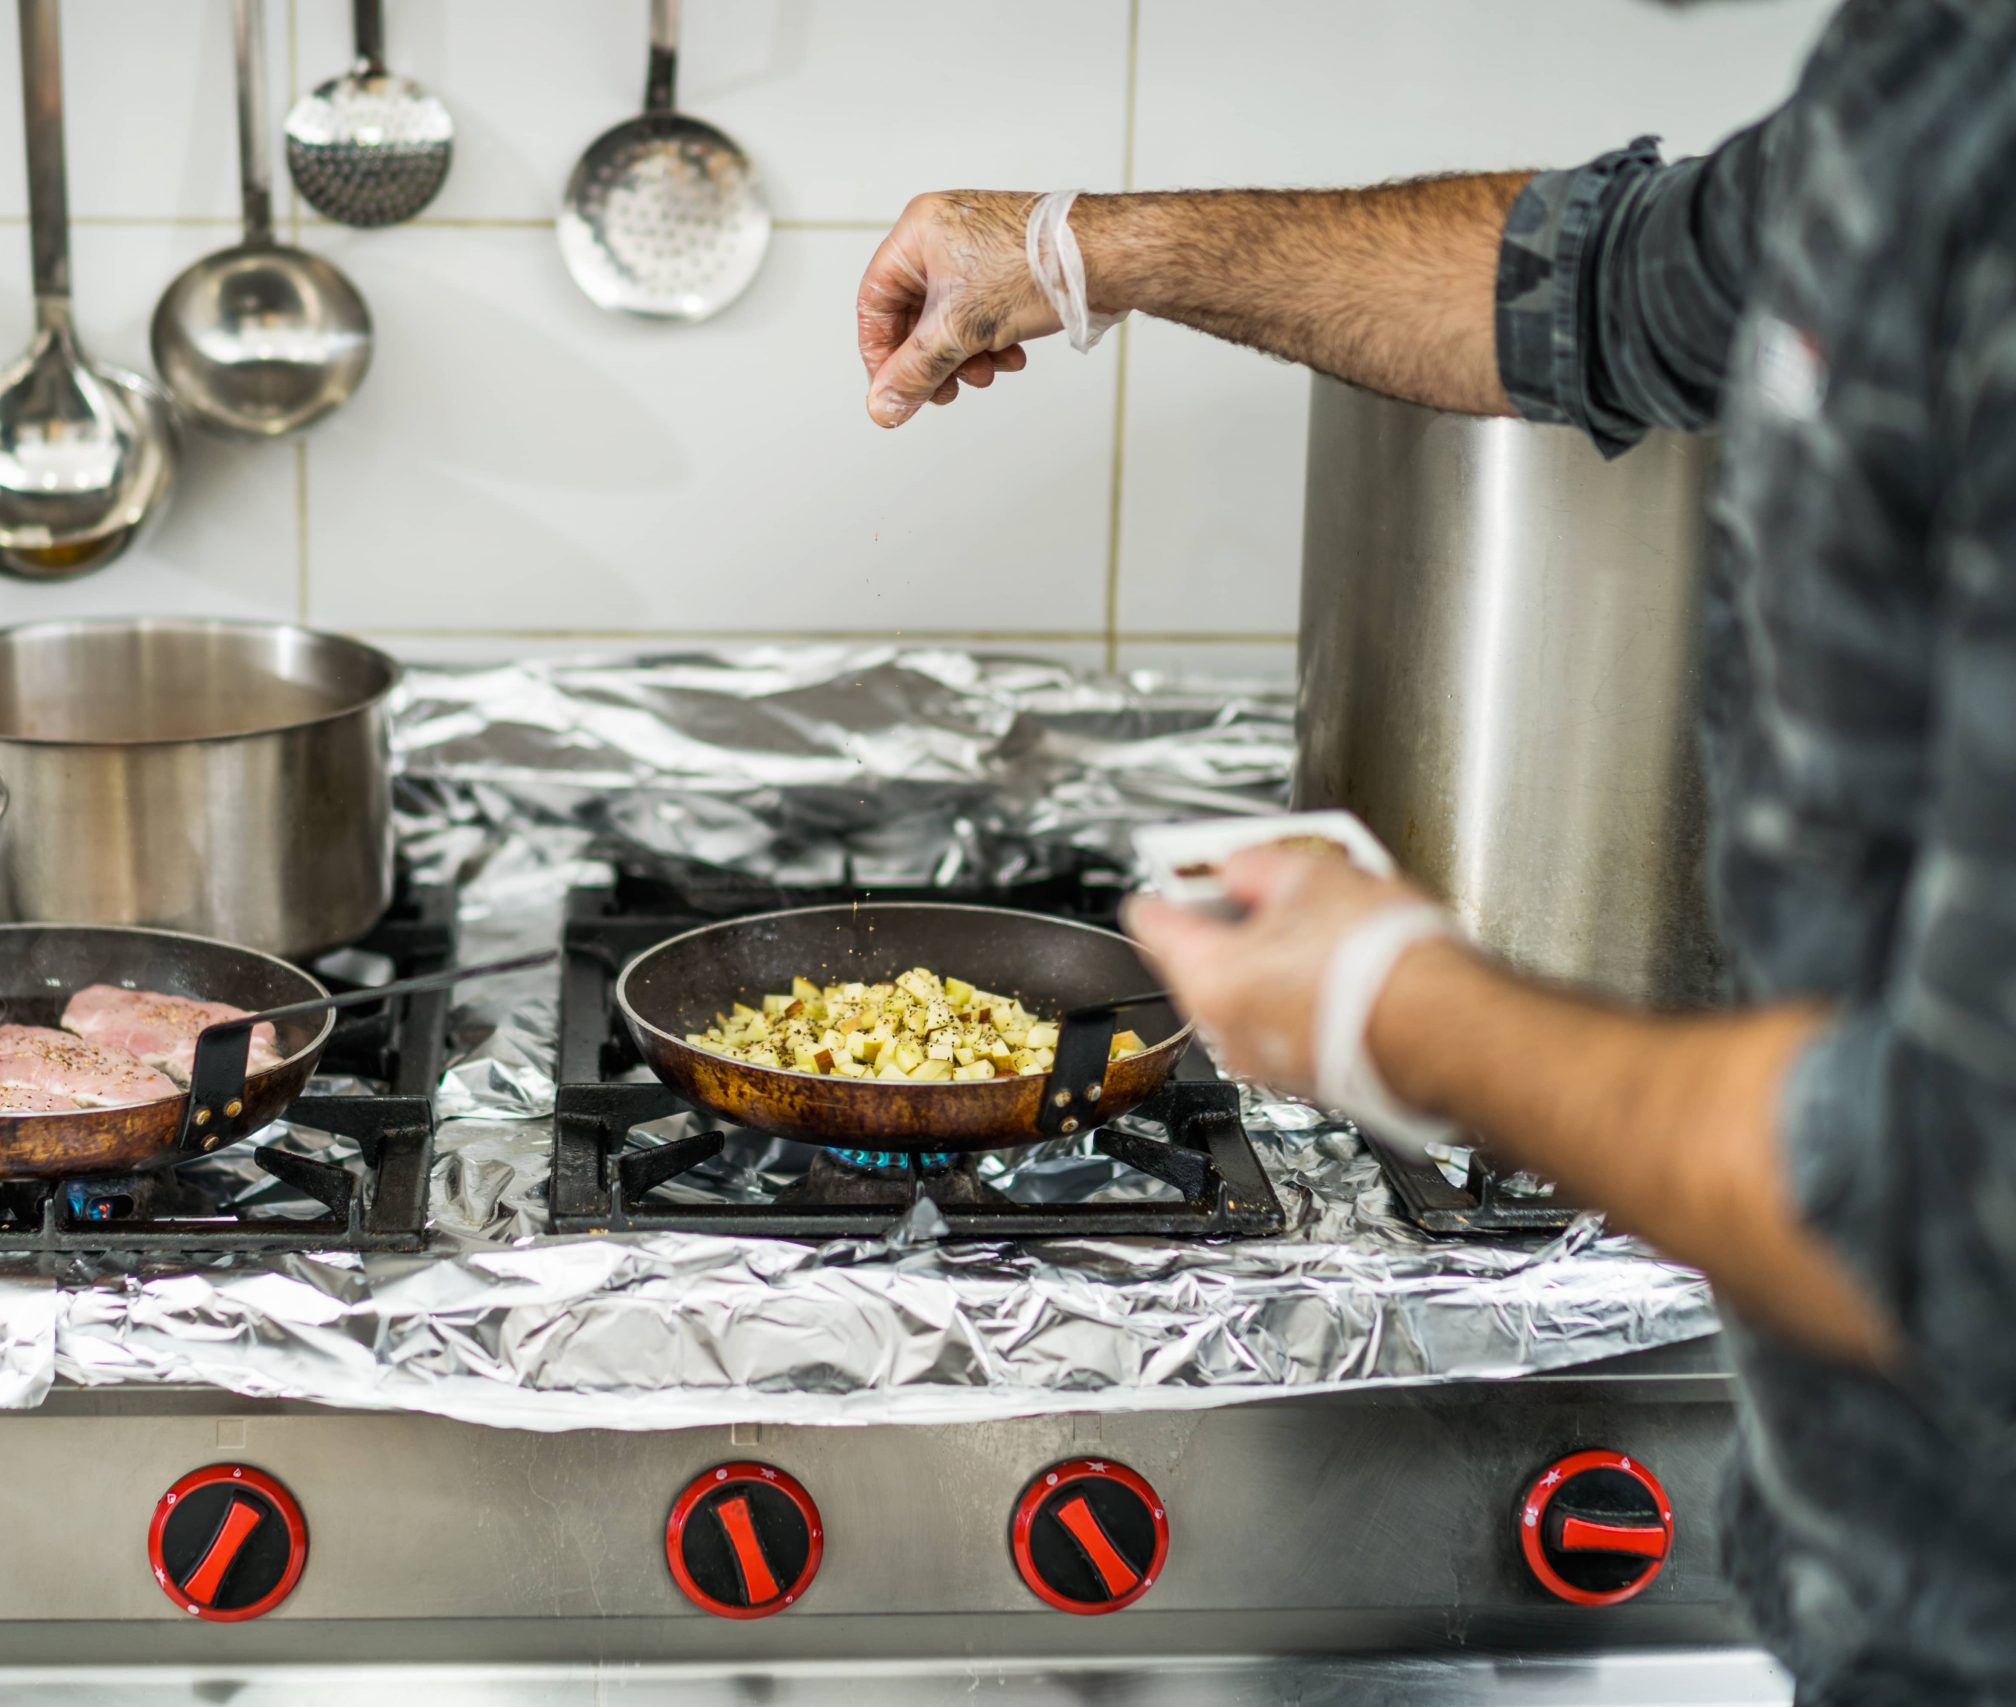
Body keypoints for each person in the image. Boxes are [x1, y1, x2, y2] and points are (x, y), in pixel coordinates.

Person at [855, 10, 2016, 1704]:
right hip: (1870, 1569)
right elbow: (1610, 281)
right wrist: (1078, 251)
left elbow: (1958, 1200)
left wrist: (1401, 1009)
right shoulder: (1934, 79)